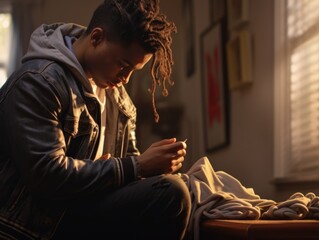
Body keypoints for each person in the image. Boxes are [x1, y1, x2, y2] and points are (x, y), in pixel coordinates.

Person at [0, 0, 191, 239]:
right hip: (41, 224)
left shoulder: (118, 99)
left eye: (133, 71)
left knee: (183, 189)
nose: (126, 79)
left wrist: (154, 167)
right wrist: (138, 166)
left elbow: (128, 168)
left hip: (83, 209)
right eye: (123, 65)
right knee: (171, 194)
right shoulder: (38, 81)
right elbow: (47, 175)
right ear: (97, 38)